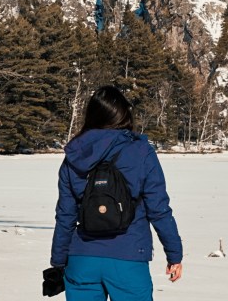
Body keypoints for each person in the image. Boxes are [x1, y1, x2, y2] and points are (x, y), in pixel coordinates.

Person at [50, 86, 183, 301]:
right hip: (128, 257)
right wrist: (174, 254)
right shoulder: (141, 152)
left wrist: (58, 260)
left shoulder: (74, 154)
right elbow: (158, 210)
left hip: (82, 259)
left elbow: (65, 215)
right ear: (123, 115)